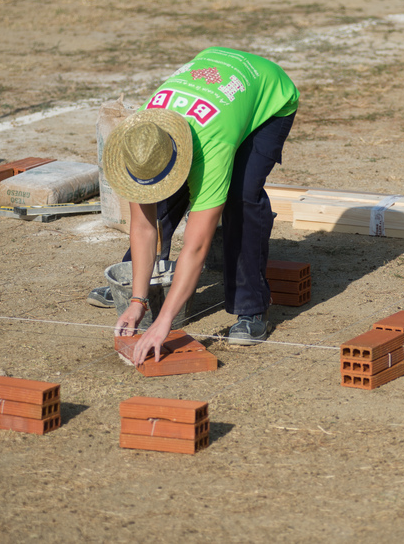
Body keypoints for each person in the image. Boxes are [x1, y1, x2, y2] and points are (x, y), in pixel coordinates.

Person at [99, 47, 298, 364]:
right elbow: (142, 226)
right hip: (218, 81)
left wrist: (163, 324)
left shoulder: (210, 152)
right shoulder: (141, 139)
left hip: (269, 96)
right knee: (159, 191)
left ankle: (252, 307)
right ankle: (140, 282)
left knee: (240, 197)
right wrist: (137, 300)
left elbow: (196, 246)